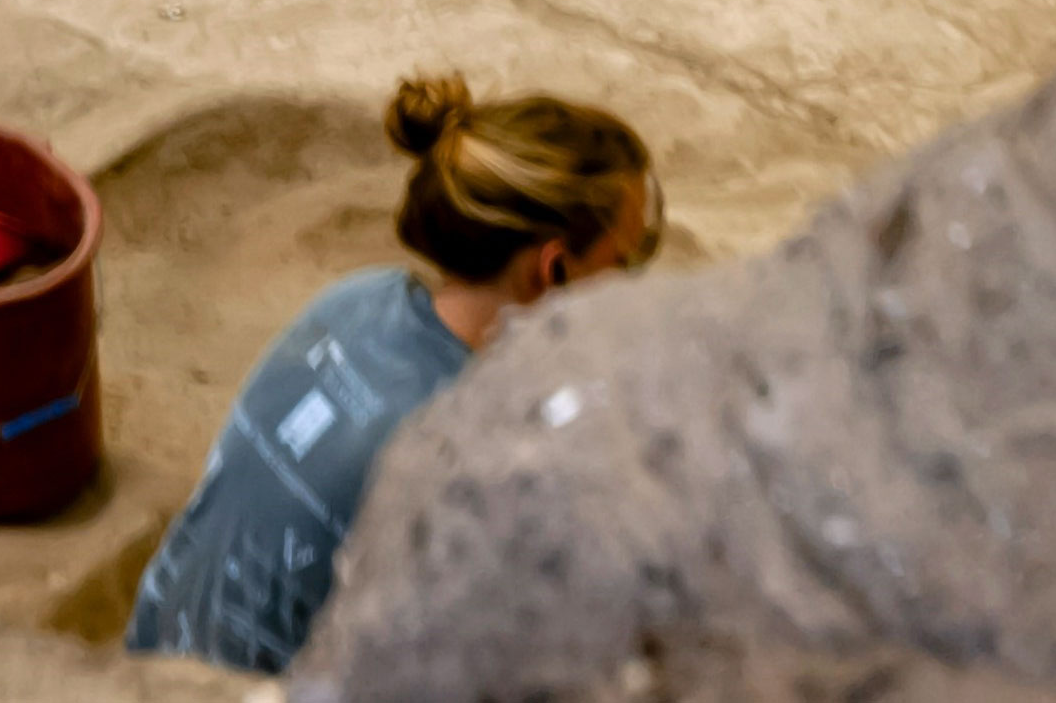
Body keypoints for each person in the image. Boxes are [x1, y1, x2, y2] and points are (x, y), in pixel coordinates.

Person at [122, 73, 665, 674]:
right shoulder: (481, 447)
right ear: (554, 270)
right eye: (627, 260)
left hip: (151, 661)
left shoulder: (355, 300)